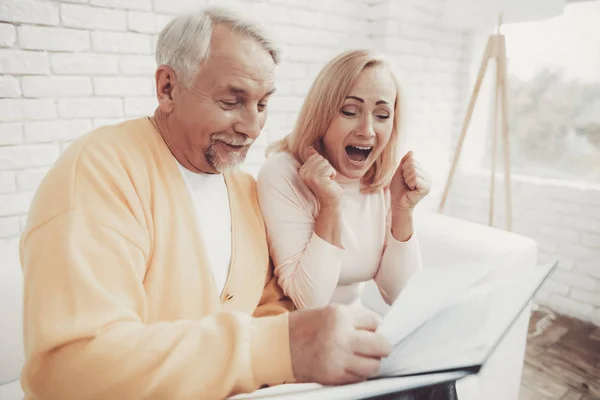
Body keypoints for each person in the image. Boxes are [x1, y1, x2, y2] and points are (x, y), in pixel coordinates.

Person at [18, 8, 394, 400]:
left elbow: (270, 308)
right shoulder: (99, 171)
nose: (252, 127)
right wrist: (278, 348)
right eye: (232, 102)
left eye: (263, 104)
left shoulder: (244, 190)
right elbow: (73, 368)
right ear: (168, 88)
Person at [257, 49, 433, 310]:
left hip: (354, 325)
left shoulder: (384, 178)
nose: (367, 130)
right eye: (350, 111)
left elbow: (403, 296)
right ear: (322, 114)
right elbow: (309, 301)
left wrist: (402, 210)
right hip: (299, 333)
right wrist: (329, 204)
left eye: (382, 115)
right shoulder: (281, 173)